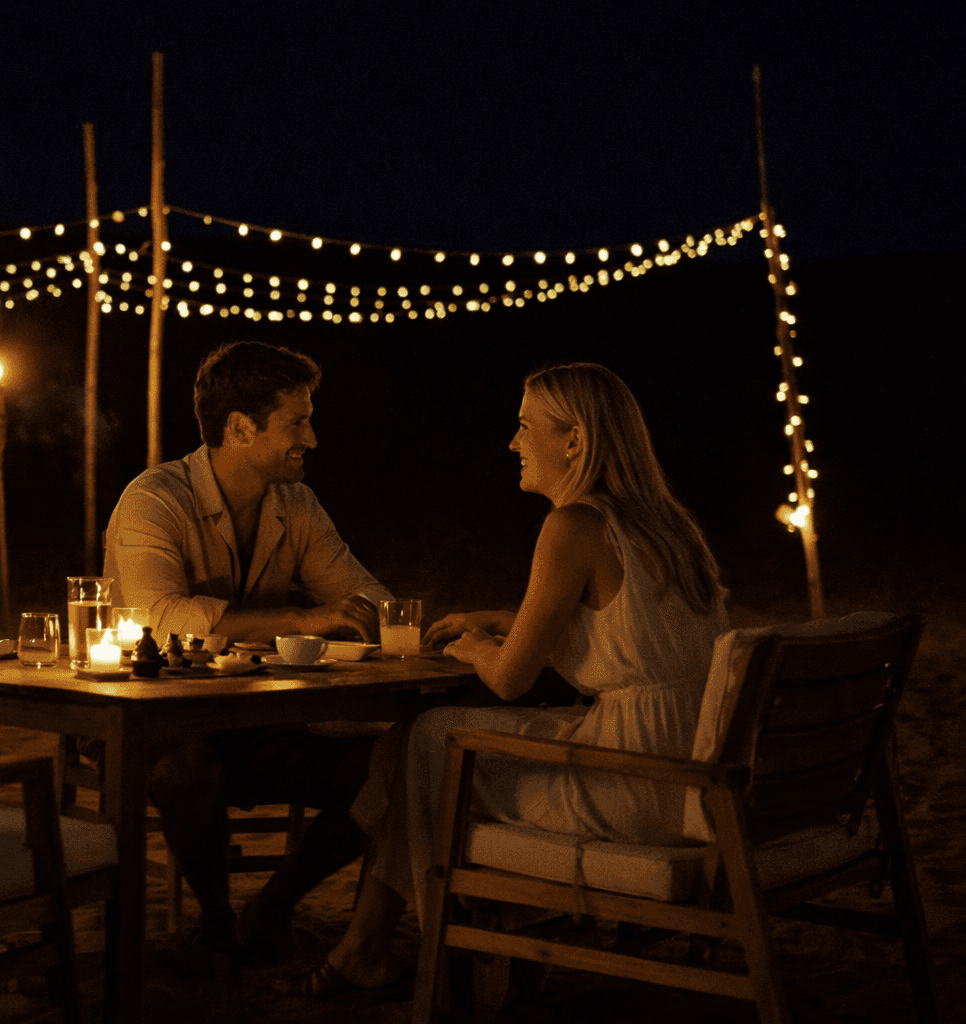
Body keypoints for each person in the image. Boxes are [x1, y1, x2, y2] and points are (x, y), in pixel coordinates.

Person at [302, 362, 730, 999]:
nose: (512, 442)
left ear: (575, 440)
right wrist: (507, 620)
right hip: (695, 771)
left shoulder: (575, 525)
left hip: (635, 784)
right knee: (410, 753)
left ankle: (443, 950)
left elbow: (507, 680)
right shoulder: (671, 526)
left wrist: (477, 645)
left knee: (428, 742)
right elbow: (631, 639)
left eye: (526, 425)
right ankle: (369, 946)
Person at [101, 340, 394, 969]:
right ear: (240, 427)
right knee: (187, 771)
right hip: (148, 724)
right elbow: (162, 617)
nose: (311, 438)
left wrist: (378, 617)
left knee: (397, 767)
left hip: (253, 720)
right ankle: (216, 922)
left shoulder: (296, 504)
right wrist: (303, 620)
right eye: (297, 421)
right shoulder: (154, 500)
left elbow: (362, 592)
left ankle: (273, 905)